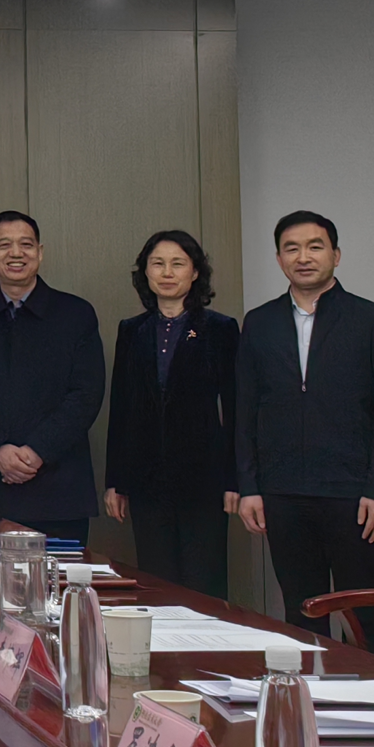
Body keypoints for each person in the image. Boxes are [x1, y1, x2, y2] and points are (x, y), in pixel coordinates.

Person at [236, 211, 374, 656]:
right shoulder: (259, 322)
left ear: (336, 255)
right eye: (292, 248)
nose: (304, 257)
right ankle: (309, 696)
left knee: (363, 616)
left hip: (353, 493)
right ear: (279, 259)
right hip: (283, 491)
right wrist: (249, 486)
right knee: (301, 614)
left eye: (315, 246)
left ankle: (373, 696)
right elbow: (246, 409)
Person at [0, 211, 104, 545]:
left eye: (26, 245)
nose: (16, 253)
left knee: (58, 577)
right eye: (4, 245)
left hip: (59, 490)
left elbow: (86, 394)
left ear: (40, 252)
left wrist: (38, 450)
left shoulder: (76, 314)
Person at [102, 230, 240, 600]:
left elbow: (235, 409)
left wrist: (235, 479)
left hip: (204, 480)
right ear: (145, 272)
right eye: (158, 264)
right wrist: (116, 480)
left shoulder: (220, 329)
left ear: (195, 272)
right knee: (156, 583)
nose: (167, 272)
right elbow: (121, 407)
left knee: (204, 583)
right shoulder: (132, 330)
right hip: (146, 480)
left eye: (177, 264)